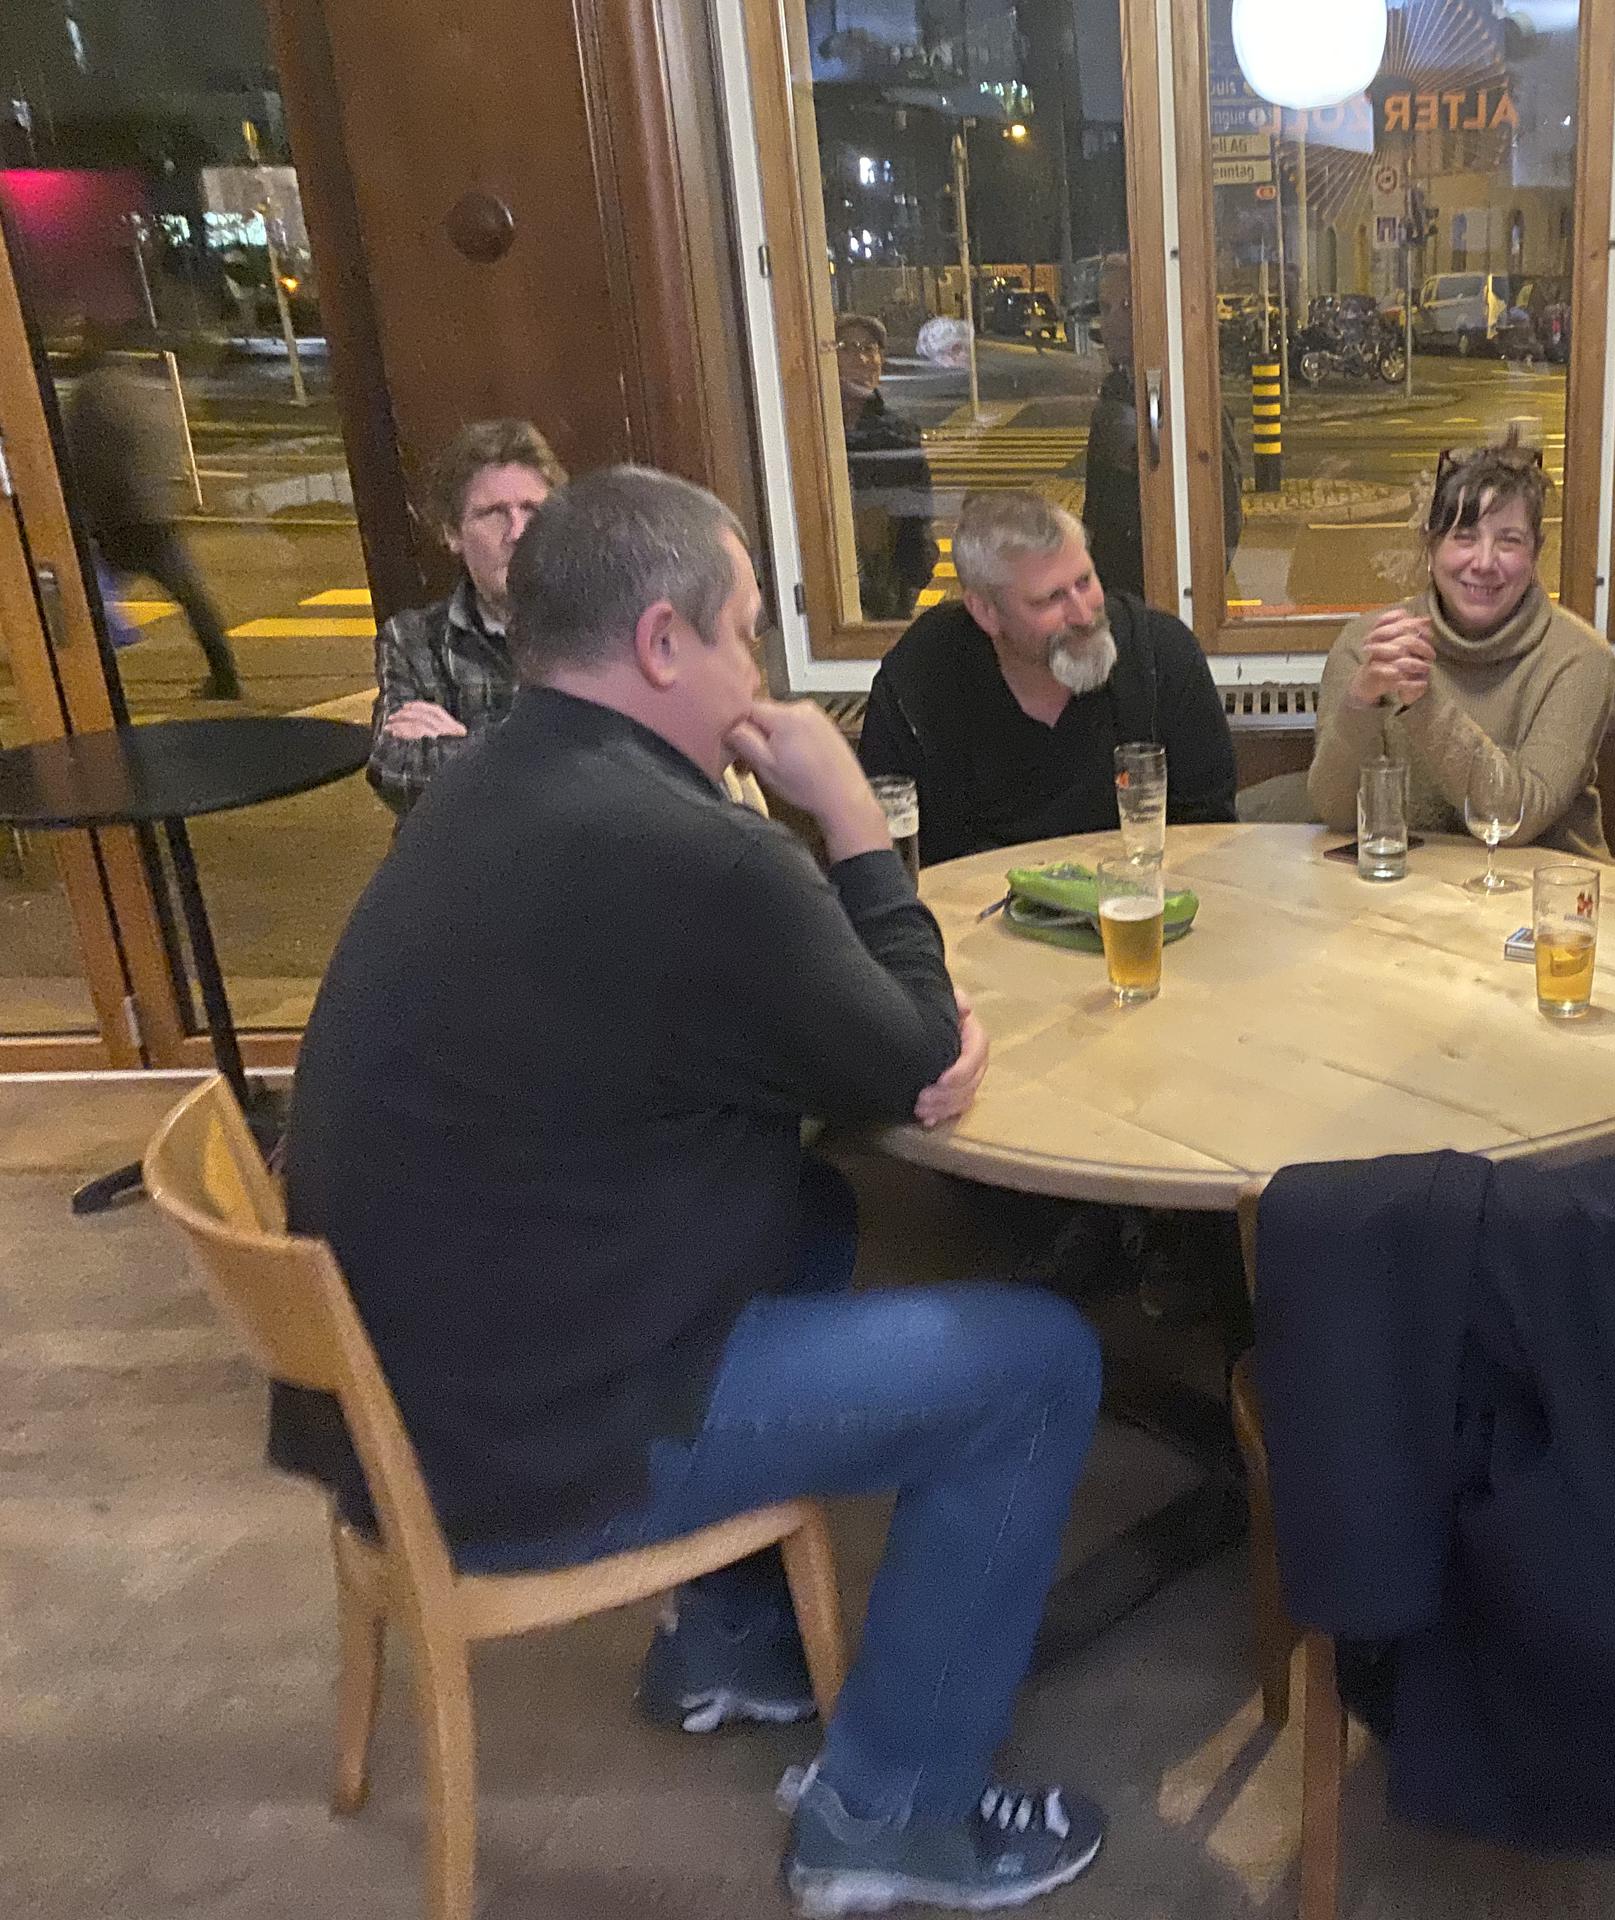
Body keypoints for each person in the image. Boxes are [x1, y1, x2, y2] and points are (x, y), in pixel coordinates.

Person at [278, 466, 1107, 1913]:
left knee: (816, 1214)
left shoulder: (489, 784)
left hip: (411, 1384)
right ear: (663, 643)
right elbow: (916, 1055)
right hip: (526, 1437)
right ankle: (887, 1821)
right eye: (746, 637)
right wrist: (849, 816)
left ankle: (725, 1646)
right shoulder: (691, 851)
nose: (759, 678)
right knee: (1034, 1368)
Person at [859, 489, 1236, 867]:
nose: (1084, 615)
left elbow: (1209, 834)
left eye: (1085, 581)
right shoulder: (920, 682)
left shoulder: (1160, 656)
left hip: (1138, 894)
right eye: (1051, 599)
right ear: (986, 612)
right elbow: (880, 855)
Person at [1306, 436, 1615, 857]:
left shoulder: (1579, 657)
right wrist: (1360, 702)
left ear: (1535, 553)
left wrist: (1424, 703)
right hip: (1413, 884)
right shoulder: (1371, 647)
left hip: (1546, 885)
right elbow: (1338, 814)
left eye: (1509, 541)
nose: (1484, 563)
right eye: (1464, 537)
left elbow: (1515, 818)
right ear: (1431, 547)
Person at [364, 420, 566, 814]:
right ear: (452, 533)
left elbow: (619, 771)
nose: (518, 531)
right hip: (462, 850)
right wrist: (541, 759)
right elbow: (394, 771)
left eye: (532, 509)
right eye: (493, 513)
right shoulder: (413, 639)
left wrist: (467, 744)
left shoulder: (598, 627)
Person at [59, 329, 242, 699]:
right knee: (194, 599)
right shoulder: (145, 393)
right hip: (156, 516)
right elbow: (165, 445)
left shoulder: (87, 397)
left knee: (83, 601)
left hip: (112, 521)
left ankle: (84, 681)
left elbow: (77, 459)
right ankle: (226, 677)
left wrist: (82, 514)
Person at [1079, 252, 1242, 598]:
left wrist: (1191, 590)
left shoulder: (1191, 399)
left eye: (1127, 306)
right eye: (1106, 308)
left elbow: (1225, 517)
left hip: (1164, 597)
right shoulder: (1112, 401)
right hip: (1115, 600)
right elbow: (1096, 514)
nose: (1112, 322)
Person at [838, 314, 937, 621]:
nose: (862, 359)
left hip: (887, 593)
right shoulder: (810, 431)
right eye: (847, 348)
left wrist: (909, 585)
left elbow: (918, 516)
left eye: (870, 348)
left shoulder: (899, 433)